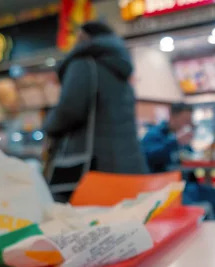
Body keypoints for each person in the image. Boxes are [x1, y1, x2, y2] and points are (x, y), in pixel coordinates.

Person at [43, 21, 147, 191]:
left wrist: (48, 124)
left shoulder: (83, 64)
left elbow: (69, 110)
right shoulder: (121, 71)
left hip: (92, 168)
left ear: (84, 37)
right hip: (129, 167)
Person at [141, 103, 215, 219]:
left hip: (186, 185)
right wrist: (175, 141)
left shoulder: (184, 139)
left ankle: (209, 227)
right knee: (193, 202)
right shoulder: (154, 135)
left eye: (190, 121)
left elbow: (190, 157)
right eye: (185, 120)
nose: (188, 124)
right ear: (172, 118)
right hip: (164, 188)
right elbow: (150, 157)